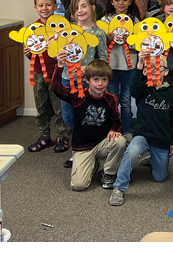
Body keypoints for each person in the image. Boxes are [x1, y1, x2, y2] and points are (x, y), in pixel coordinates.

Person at [109, 50, 173, 206]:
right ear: (145, 71)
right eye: (150, 68)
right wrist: (139, 64)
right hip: (142, 135)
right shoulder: (143, 89)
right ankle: (119, 187)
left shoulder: (170, 93)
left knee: (160, 177)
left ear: (166, 72)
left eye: (159, 68)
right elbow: (134, 90)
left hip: (161, 139)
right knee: (132, 152)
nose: (154, 71)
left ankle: (152, 159)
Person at [51, 57, 126, 191]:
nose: (100, 84)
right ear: (87, 80)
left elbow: (116, 119)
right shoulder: (78, 96)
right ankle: (95, 164)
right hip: (83, 147)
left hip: (103, 143)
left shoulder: (111, 99)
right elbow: (56, 88)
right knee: (79, 186)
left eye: (104, 79)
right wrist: (60, 66)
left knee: (119, 141)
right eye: (95, 79)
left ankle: (108, 173)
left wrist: (114, 129)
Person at [60, 0, 108, 169]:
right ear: (72, 13)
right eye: (76, 8)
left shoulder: (99, 33)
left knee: (86, 117)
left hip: (88, 85)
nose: (80, 11)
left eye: (83, 6)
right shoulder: (67, 32)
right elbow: (58, 51)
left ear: (92, 8)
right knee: (68, 117)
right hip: (67, 79)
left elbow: (103, 60)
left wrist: (88, 69)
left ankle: (81, 152)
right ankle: (87, 146)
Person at [25, 0, 69, 153]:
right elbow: (34, 54)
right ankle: (44, 136)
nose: (45, 8)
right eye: (41, 5)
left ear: (55, 6)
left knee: (59, 107)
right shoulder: (33, 29)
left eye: (48, 4)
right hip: (38, 73)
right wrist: (29, 54)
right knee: (41, 105)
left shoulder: (61, 27)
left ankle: (62, 136)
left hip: (58, 72)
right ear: (36, 8)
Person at [101, 0, 141, 135]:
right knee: (113, 100)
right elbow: (97, 43)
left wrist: (128, 40)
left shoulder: (135, 20)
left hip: (128, 67)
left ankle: (125, 132)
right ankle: (113, 130)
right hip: (110, 67)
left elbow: (139, 44)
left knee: (125, 101)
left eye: (124, 0)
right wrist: (106, 37)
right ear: (111, 1)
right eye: (117, 0)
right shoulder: (105, 20)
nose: (121, 3)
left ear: (130, 1)